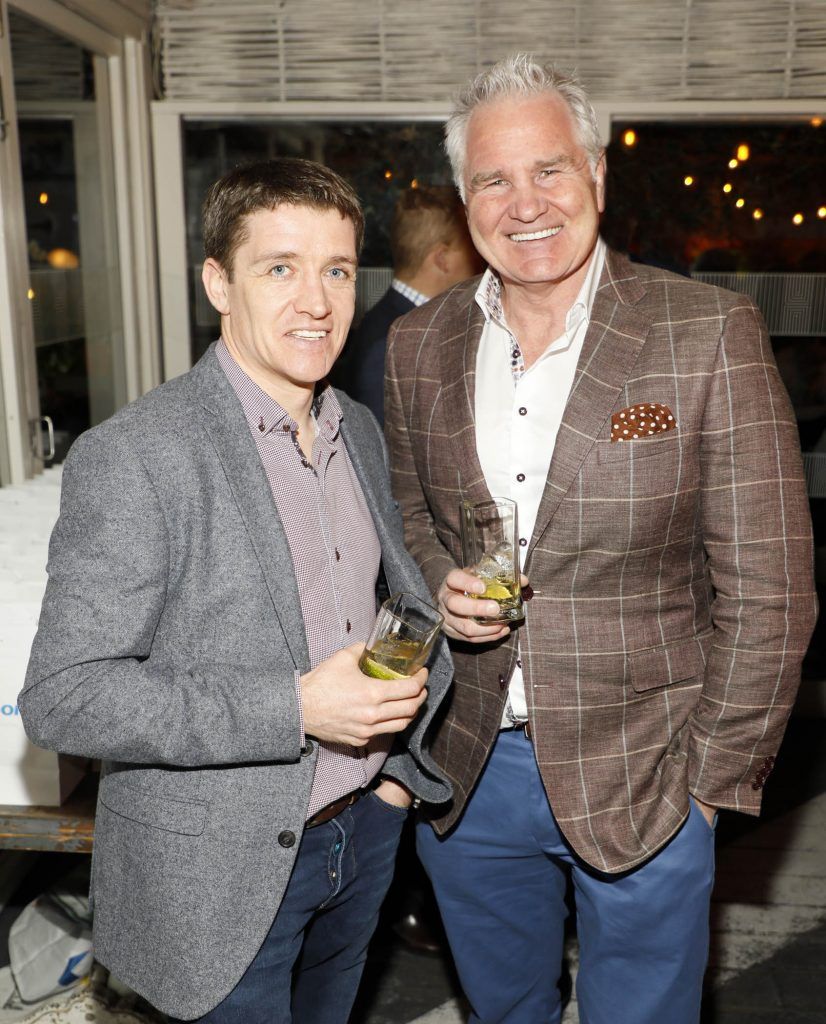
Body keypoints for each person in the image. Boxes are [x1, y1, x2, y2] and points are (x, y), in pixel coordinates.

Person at [384, 54, 818, 1024]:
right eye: (493, 178)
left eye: (549, 169)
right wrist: (439, 577)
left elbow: (772, 591)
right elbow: (406, 514)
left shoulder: (704, 333)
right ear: (463, 199)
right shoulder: (419, 346)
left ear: (596, 174)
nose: (524, 201)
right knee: (503, 1012)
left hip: (650, 770)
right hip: (470, 771)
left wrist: (707, 783)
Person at [19, 158, 453, 1024]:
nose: (317, 301)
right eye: (279, 268)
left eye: (335, 270)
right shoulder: (137, 455)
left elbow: (375, 602)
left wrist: (392, 788)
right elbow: (64, 698)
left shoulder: (354, 428)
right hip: (216, 878)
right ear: (218, 282)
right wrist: (293, 708)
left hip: (363, 832)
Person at [337, 184, 481, 424]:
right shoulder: (386, 344)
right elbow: (382, 453)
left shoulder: (396, 324)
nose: (480, 258)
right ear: (442, 259)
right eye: (470, 247)